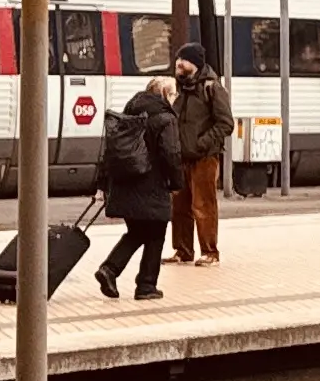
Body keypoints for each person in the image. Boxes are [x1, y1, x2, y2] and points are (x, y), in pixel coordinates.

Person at [95, 83, 179, 300]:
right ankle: (145, 285)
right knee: (156, 233)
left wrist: (103, 184)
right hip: (152, 186)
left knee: (138, 232)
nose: (175, 97)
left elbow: (110, 152)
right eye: (173, 93)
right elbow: (171, 153)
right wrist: (177, 182)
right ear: (165, 94)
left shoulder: (129, 113)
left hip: (125, 185)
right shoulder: (165, 118)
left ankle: (110, 270)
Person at [168, 49, 232, 265]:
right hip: (181, 157)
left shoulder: (212, 88)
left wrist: (202, 143)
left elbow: (226, 123)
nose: (178, 63)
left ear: (194, 63)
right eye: (178, 59)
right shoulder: (180, 88)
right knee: (179, 207)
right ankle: (183, 251)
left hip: (204, 158)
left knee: (203, 205)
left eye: (183, 60)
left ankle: (210, 252)